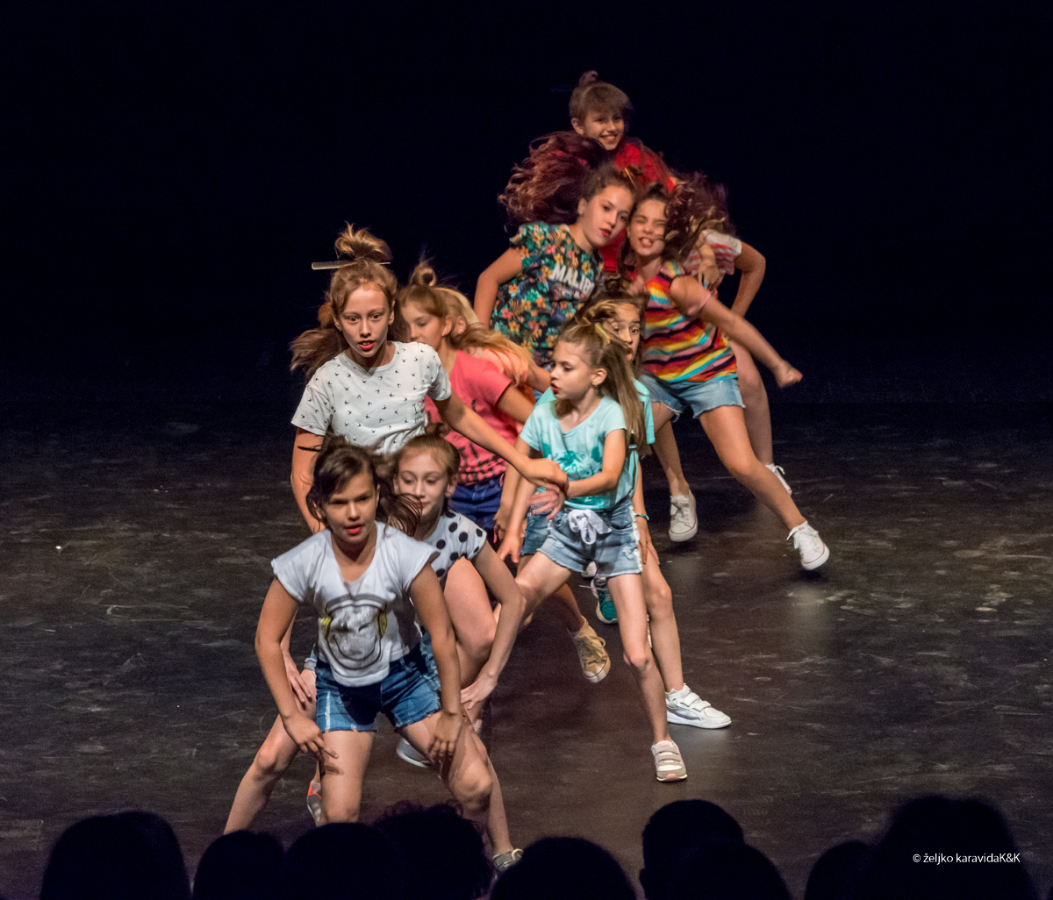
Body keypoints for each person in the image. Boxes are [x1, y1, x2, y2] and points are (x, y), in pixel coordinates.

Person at [253, 438, 503, 849]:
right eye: (339, 503)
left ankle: (466, 864)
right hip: (344, 685)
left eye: (362, 499)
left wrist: (452, 711)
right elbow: (267, 637)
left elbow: (443, 635)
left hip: (405, 677)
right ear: (320, 507)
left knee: (476, 785)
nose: (353, 512)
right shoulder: (308, 558)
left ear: (377, 497)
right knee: (336, 814)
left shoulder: (405, 551)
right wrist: (291, 715)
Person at [499, 321, 690, 781]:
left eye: (566, 367)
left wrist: (566, 485)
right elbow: (523, 465)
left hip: (615, 533)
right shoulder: (545, 412)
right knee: (513, 602)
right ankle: (470, 697)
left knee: (637, 654)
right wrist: (514, 523)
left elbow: (609, 476)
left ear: (597, 375)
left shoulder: (612, 414)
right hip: (566, 529)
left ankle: (663, 741)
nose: (553, 373)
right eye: (553, 364)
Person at [625, 179, 830, 569]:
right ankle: (637, 530)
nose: (648, 230)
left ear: (669, 234)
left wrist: (777, 364)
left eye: (658, 224)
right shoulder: (626, 278)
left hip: (706, 373)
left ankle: (801, 528)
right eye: (641, 221)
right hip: (659, 379)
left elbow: (732, 325)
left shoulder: (679, 284)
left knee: (740, 463)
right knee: (622, 440)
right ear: (628, 226)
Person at [575, 294, 731, 729]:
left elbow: (632, 465)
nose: (628, 338)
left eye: (634, 329)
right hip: (572, 514)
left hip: (617, 517)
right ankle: (468, 691)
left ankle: (676, 694)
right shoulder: (576, 389)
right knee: (520, 601)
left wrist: (640, 521)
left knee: (659, 595)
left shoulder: (639, 393)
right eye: (617, 329)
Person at [474, 134, 634, 373]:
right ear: (583, 205)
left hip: (541, 373)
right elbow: (489, 278)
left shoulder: (596, 267)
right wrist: (480, 344)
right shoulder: (544, 239)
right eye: (606, 208)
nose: (612, 221)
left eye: (622, 217)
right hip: (501, 358)